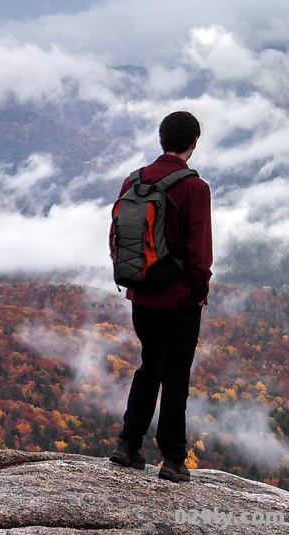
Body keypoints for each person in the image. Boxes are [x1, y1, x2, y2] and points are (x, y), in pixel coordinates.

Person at [108, 111, 213, 483]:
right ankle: (172, 459)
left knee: (148, 365)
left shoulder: (133, 181)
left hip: (140, 296)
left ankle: (127, 444)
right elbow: (199, 253)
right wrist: (199, 293)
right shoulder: (194, 188)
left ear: (161, 139)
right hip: (179, 300)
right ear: (193, 143)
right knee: (175, 375)